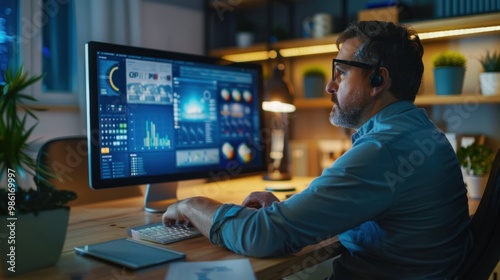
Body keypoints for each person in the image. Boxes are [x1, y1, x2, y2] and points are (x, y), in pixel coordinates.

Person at [163, 21, 472, 279]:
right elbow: (368, 206)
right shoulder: (418, 132)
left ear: (378, 79)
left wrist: (193, 204)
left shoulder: (383, 149)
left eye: (341, 72)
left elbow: (262, 236)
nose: (330, 85)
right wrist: (294, 210)